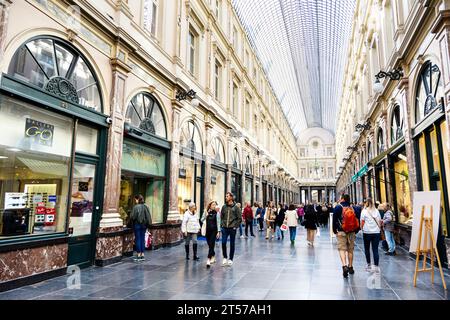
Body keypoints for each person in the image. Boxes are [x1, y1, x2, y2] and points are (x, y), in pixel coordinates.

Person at [333, 194, 359, 278]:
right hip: (351, 231)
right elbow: (357, 219)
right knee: (350, 250)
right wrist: (356, 230)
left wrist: (334, 230)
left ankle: (344, 266)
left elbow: (334, 220)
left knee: (342, 249)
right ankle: (350, 267)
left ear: (343, 199)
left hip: (341, 231)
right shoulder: (353, 208)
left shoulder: (338, 207)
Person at [361, 198, 382, 273]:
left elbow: (362, 221)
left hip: (367, 232)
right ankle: (376, 266)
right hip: (376, 232)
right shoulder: (376, 211)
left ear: (366, 203)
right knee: (375, 250)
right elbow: (380, 221)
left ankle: (369, 264)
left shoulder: (364, 211)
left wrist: (362, 228)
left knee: (367, 249)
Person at [220, 192, 242, 267]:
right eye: (226, 196)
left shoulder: (236, 207)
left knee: (232, 244)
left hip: (232, 228)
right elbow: (222, 216)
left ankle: (231, 259)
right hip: (224, 228)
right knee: (223, 242)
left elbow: (239, 218)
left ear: (231, 198)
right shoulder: (224, 207)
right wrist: (222, 225)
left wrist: (235, 226)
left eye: (227, 196)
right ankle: (225, 257)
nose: (226, 197)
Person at [130, 194, 152, 262]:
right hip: (144, 225)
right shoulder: (146, 206)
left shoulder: (136, 207)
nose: (135, 201)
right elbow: (148, 216)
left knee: (138, 239)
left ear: (137, 199)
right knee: (142, 239)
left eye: (135, 199)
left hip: (137, 225)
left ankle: (139, 254)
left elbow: (132, 217)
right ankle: (142, 254)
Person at [201, 201, 221, 268]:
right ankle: (213, 256)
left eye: (215, 205)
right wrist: (205, 216)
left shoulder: (217, 213)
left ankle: (208, 259)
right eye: (213, 205)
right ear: (210, 206)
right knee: (210, 245)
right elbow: (201, 219)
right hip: (207, 231)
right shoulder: (206, 211)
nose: (214, 206)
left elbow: (218, 222)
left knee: (212, 244)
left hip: (214, 231)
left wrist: (218, 231)